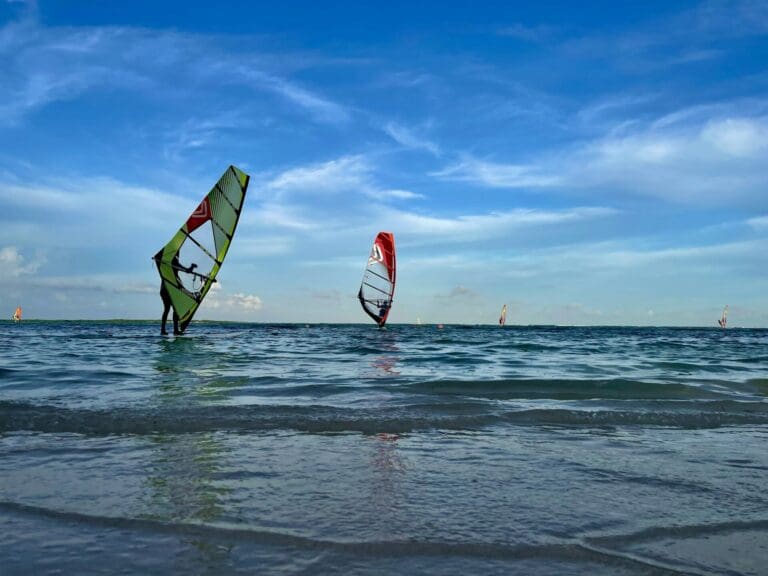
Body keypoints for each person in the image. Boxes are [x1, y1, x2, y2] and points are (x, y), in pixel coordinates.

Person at [159, 254, 197, 335]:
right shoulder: (173, 261)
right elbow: (187, 270)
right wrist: (192, 267)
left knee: (167, 309)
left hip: (164, 289)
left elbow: (186, 270)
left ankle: (163, 330)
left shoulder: (165, 261)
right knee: (175, 309)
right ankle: (175, 330)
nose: (178, 256)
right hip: (170, 289)